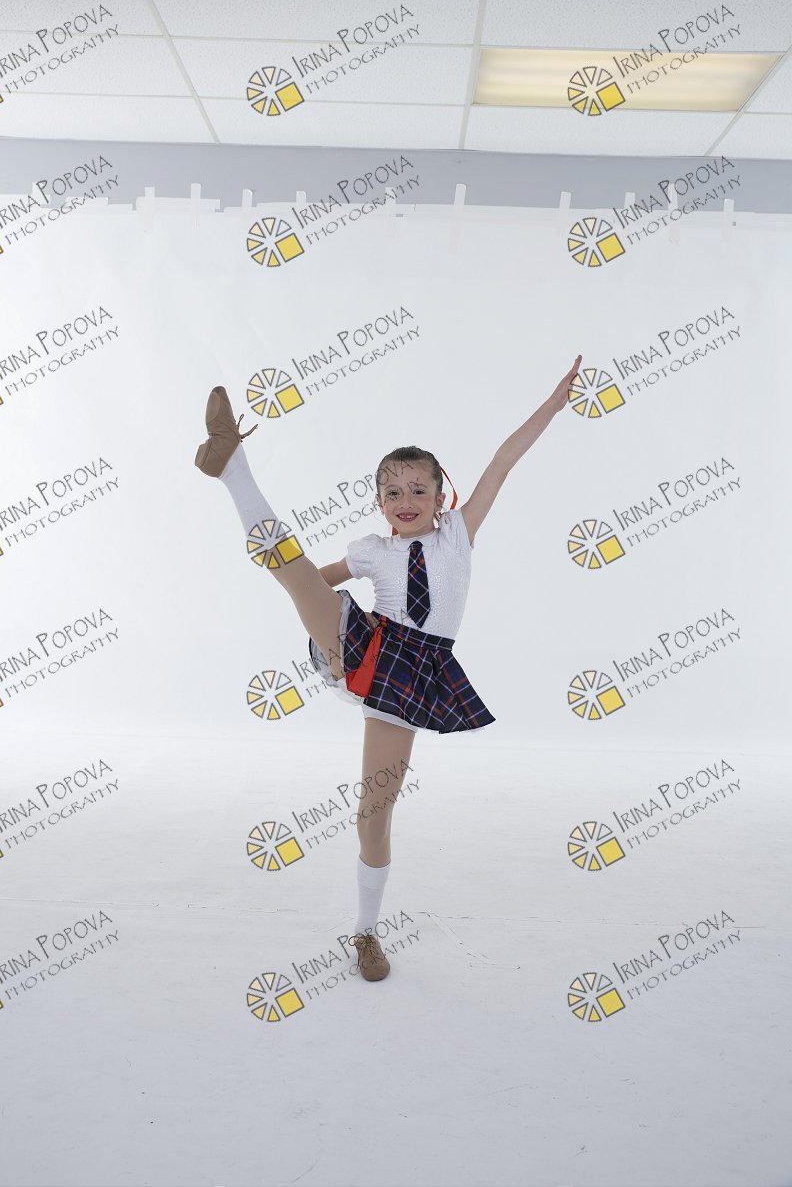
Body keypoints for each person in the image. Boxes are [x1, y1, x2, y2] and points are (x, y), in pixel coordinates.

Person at [194, 356, 580, 982]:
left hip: (412, 677)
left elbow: (503, 461)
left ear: (441, 497)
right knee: (290, 570)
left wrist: (553, 404)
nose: (406, 502)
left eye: (418, 490)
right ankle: (233, 465)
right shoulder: (372, 551)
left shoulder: (458, 535)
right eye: (393, 492)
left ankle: (365, 931)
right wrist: (296, 587)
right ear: (379, 501)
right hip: (366, 645)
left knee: (373, 814)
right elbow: (314, 580)